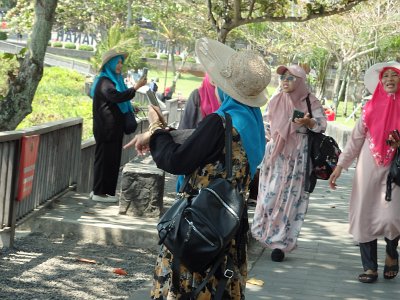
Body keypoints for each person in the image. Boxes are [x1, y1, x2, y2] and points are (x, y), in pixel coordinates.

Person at [124, 37, 271, 299]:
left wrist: (156, 129)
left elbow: (176, 160)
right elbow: (204, 147)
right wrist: (164, 134)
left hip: (199, 223)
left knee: (190, 288)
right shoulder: (253, 124)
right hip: (228, 225)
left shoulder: (221, 122)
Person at [328, 61, 400, 283]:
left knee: (392, 217)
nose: (389, 79)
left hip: (395, 170)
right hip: (368, 168)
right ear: (380, 81)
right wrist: (339, 167)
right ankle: (369, 267)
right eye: (385, 76)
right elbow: (354, 142)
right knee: (365, 214)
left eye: (394, 75)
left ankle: (391, 252)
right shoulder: (368, 110)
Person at [251, 65, 327, 262]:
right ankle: (262, 233)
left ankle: (281, 244)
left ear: (300, 81)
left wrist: (309, 123)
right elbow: (266, 126)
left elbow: (322, 124)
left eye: (291, 78)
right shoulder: (275, 100)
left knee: (291, 199)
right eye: (283, 77)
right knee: (269, 194)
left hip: (298, 156)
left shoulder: (310, 100)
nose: (285, 80)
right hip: (275, 154)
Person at [89, 48, 146, 202]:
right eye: (118, 62)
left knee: (109, 159)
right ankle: (100, 193)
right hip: (107, 130)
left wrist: (130, 106)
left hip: (111, 130)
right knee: (106, 160)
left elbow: (118, 100)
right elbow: (116, 97)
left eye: (121, 62)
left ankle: (99, 190)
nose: (120, 65)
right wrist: (135, 88)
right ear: (110, 63)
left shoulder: (112, 80)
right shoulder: (105, 82)